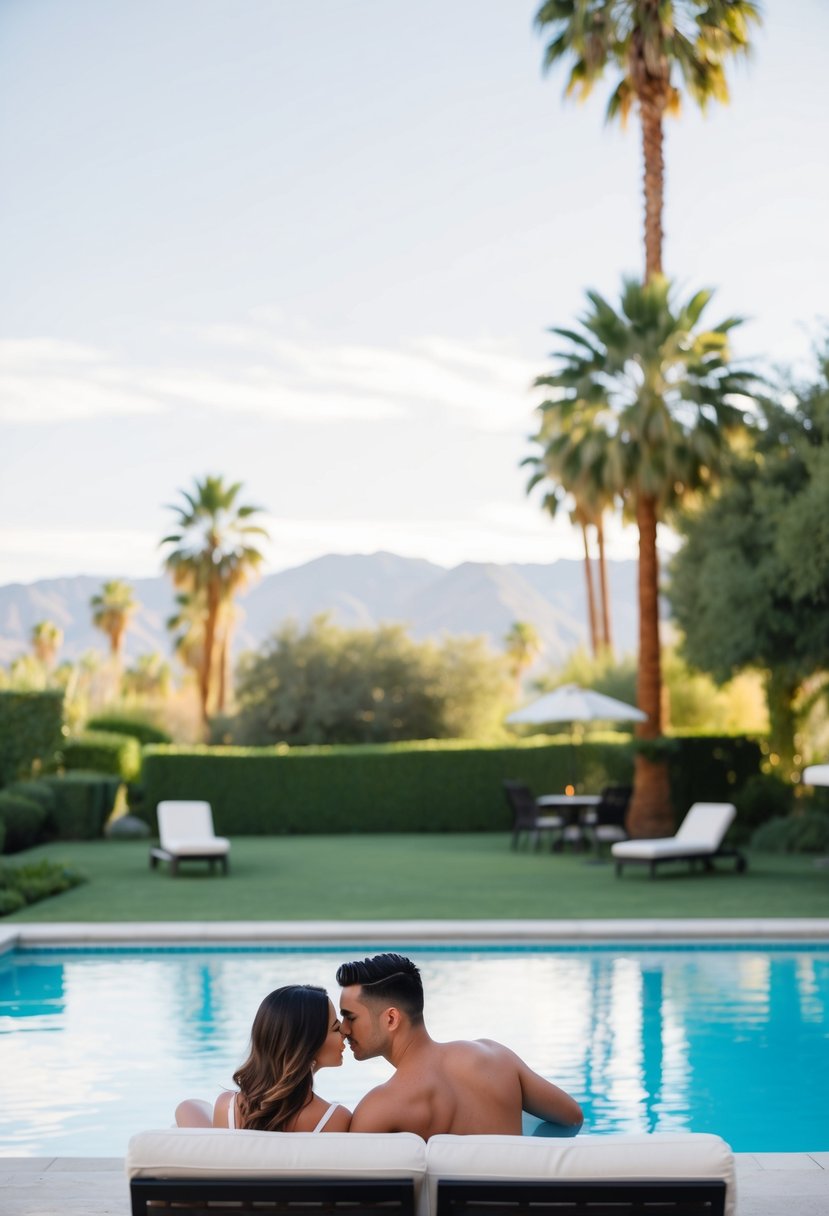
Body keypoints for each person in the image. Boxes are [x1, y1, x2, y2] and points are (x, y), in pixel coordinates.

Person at [337, 952, 583, 1139]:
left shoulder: (380, 1108)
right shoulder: (495, 1057)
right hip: (517, 1203)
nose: (344, 1029)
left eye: (350, 1017)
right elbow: (572, 1118)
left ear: (391, 1018)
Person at [205, 984, 351, 1132]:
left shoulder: (227, 1107)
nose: (344, 1033)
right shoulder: (335, 1118)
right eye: (335, 1028)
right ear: (306, 1044)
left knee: (189, 1107)